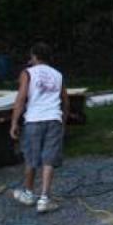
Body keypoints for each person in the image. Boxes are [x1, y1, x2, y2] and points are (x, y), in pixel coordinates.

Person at [10, 42, 68, 213]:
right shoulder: (58, 74)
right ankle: (44, 198)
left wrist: (14, 122)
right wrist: (62, 121)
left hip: (34, 120)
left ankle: (28, 193)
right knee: (49, 159)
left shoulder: (28, 73)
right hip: (53, 118)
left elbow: (21, 98)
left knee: (31, 157)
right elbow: (65, 100)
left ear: (34, 56)